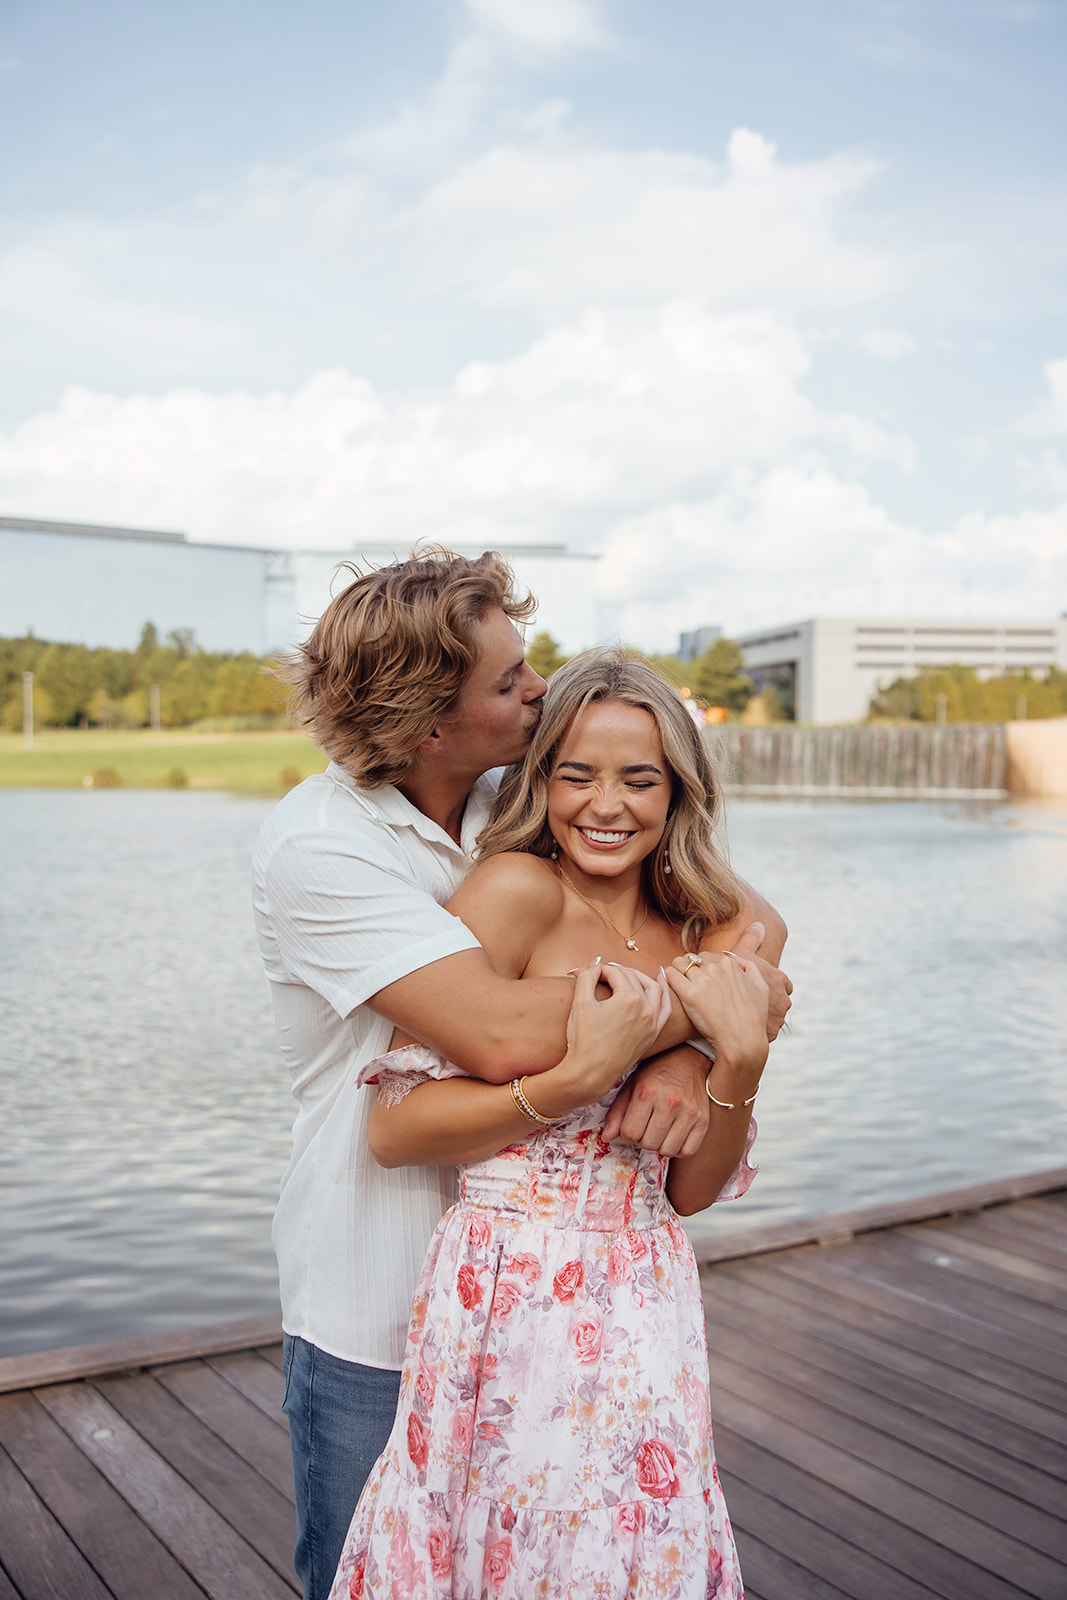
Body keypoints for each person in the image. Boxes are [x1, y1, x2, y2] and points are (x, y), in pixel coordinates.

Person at [252, 551, 791, 1599]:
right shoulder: (321, 848)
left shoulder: (521, 789)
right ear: (426, 724)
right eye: (509, 683)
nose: (538, 691)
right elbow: (504, 1031)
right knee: (401, 1568)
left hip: (617, 1299)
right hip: (387, 1294)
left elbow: (744, 911)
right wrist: (712, 1003)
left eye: (528, 665)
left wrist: (707, 1051)